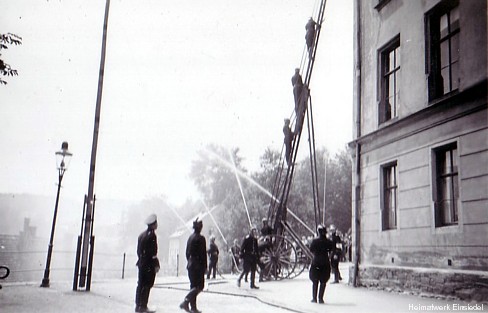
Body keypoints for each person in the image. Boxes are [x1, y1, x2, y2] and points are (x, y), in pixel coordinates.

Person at [180, 219, 207, 313]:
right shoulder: (201, 238)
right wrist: (205, 267)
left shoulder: (190, 238)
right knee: (200, 286)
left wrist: (190, 261)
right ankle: (186, 301)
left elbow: (187, 253)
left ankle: (193, 307)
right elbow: (203, 254)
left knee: (193, 286)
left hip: (191, 264)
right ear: (200, 228)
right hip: (198, 265)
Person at [135, 214, 160, 313]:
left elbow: (138, 251)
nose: (157, 225)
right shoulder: (152, 235)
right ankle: (143, 306)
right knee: (147, 284)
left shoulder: (141, 235)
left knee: (140, 284)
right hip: (149, 264)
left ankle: (138, 306)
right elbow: (153, 252)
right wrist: (156, 264)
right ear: (153, 225)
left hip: (141, 262)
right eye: (156, 223)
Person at [309, 224, 335, 304]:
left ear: (318, 232)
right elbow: (332, 250)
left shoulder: (315, 241)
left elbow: (311, 249)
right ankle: (321, 298)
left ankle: (314, 298)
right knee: (323, 281)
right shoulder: (328, 242)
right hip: (325, 262)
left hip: (316, 261)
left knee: (315, 280)